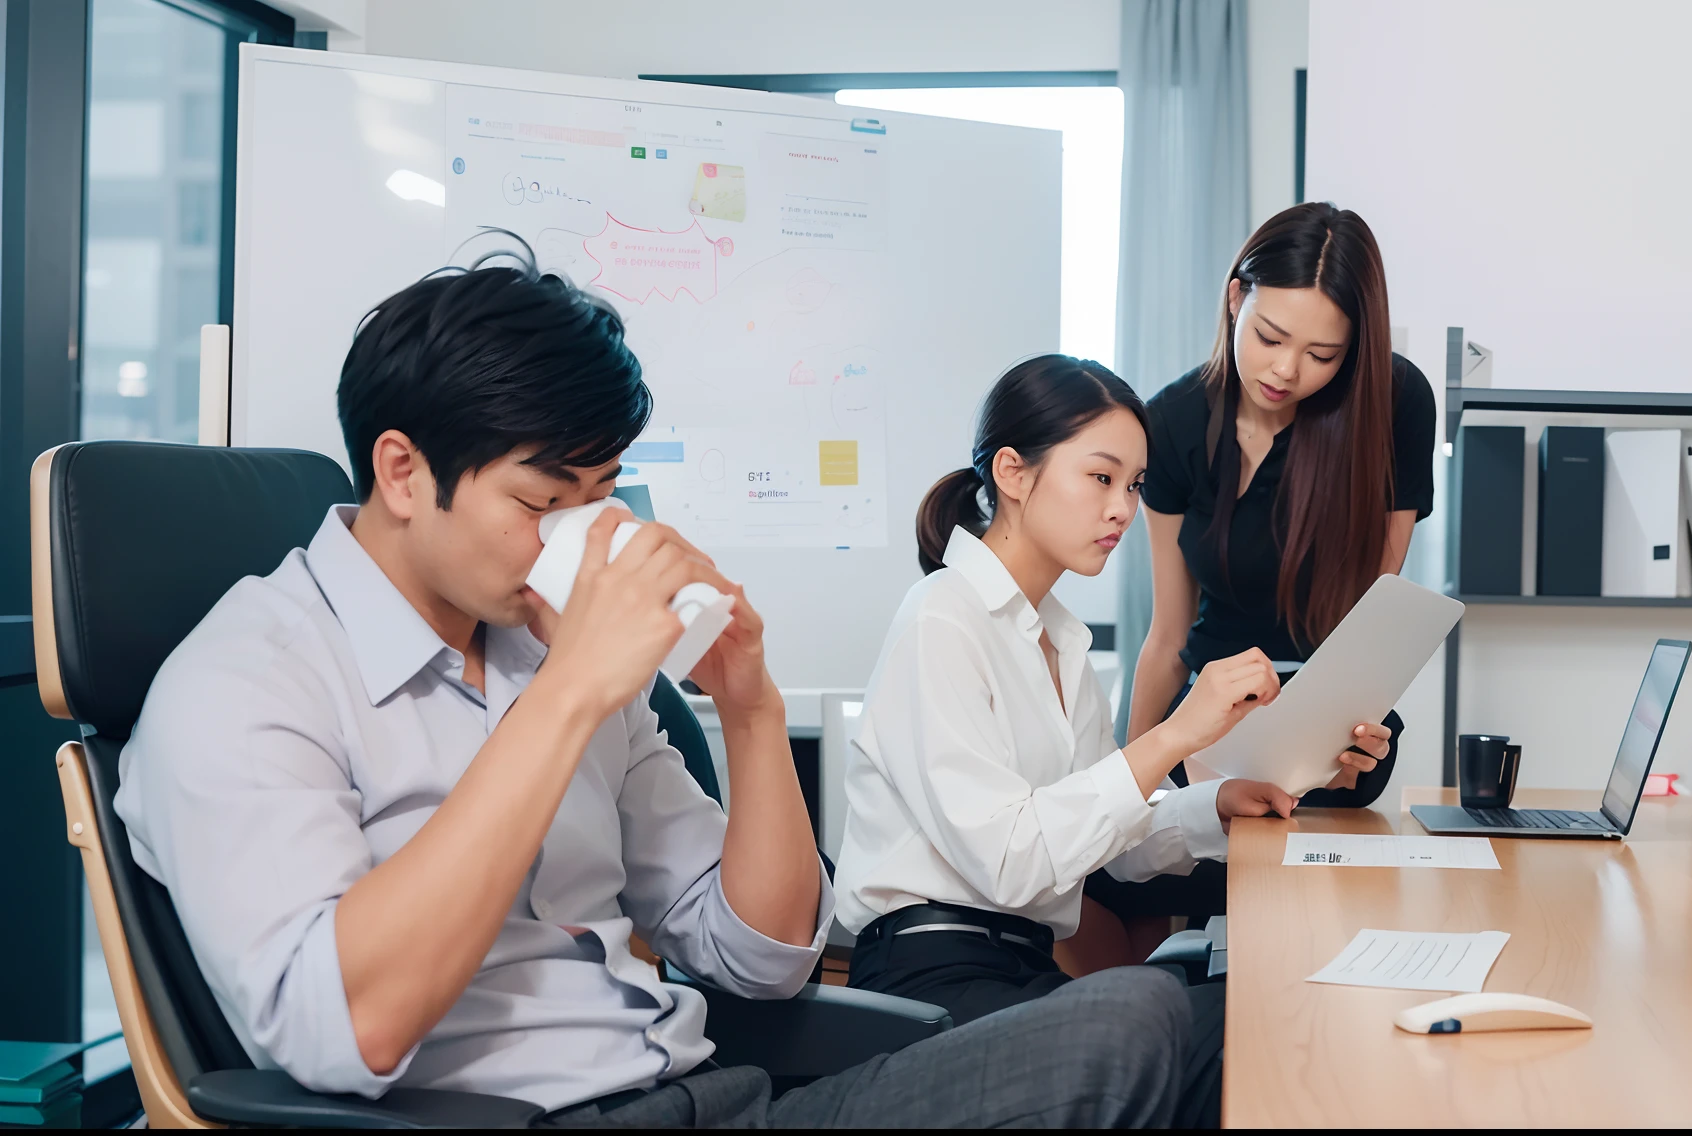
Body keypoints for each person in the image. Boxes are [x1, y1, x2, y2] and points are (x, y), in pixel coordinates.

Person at [114, 253, 1209, 1128]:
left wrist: (748, 704)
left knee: (1153, 1016)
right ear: (403, 472)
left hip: (717, 1089)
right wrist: (569, 695)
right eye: (546, 499)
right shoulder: (240, 684)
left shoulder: (543, 646)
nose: (586, 536)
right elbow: (349, 1025)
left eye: (601, 494)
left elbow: (763, 953)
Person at [833, 354, 1384, 1127]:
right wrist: (1177, 734)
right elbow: (1014, 862)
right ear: (1014, 474)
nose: (1124, 508)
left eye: (1134, 485)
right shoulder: (941, 618)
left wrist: (1215, 805)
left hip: (1017, 970)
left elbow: (1109, 844)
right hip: (935, 981)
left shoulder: (1058, 638)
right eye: (1101, 478)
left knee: (1255, 1021)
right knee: (1222, 1028)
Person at [1081, 201, 1431, 967]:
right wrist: (1129, 783)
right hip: (1210, 719)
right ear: (1237, 298)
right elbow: (1168, 636)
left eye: (1322, 354)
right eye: (1271, 337)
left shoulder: (1393, 403)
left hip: (1336, 725)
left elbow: (1378, 612)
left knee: (1316, 923)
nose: (1285, 370)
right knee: (1114, 885)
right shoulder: (1172, 423)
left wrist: (1351, 725)